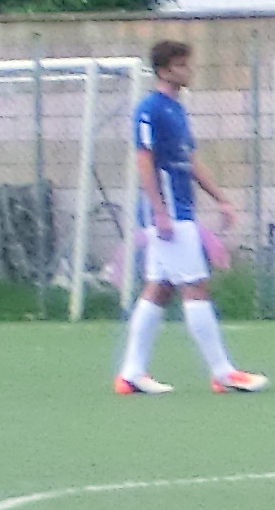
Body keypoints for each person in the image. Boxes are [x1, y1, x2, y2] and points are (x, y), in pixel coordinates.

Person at [112, 36, 263, 397]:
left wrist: (222, 200)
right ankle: (223, 372)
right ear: (165, 70)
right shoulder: (150, 108)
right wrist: (160, 212)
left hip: (180, 210)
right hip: (170, 215)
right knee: (195, 286)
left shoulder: (176, 109)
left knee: (159, 289)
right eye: (182, 65)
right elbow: (143, 160)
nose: (189, 70)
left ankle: (130, 373)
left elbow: (189, 160)